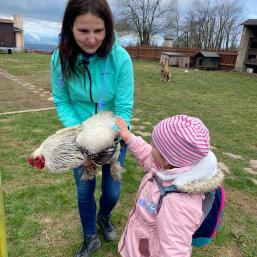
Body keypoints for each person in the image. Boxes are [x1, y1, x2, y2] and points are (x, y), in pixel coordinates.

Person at [50, 0, 134, 256]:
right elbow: (63, 101)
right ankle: (90, 237)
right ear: (69, 28)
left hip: (112, 137)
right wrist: (82, 139)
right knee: (84, 190)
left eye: (98, 31)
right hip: (80, 138)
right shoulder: (59, 60)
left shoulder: (121, 59)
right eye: (83, 31)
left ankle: (104, 216)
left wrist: (107, 139)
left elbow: (124, 109)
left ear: (107, 28)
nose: (91, 39)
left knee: (111, 192)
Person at [116, 115, 222, 257]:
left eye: (154, 144)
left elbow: (175, 250)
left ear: (166, 158)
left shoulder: (178, 203)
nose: (151, 144)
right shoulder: (167, 166)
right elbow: (146, 153)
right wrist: (128, 136)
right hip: (139, 242)